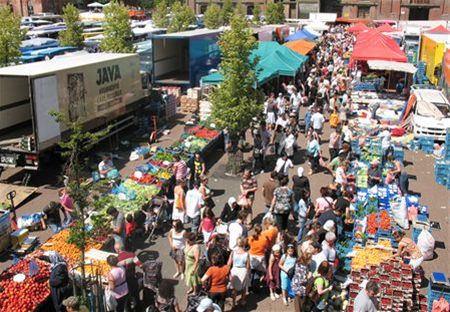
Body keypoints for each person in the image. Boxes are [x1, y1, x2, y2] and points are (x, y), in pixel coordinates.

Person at [228, 237, 250, 309]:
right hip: (243, 271)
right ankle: (243, 301)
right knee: (244, 288)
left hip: (234, 270)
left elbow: (229, 263)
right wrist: (248, 273)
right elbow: (248, 266)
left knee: (234, 289)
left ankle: (234, 303)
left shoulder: (233, 252)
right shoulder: (246, 254)